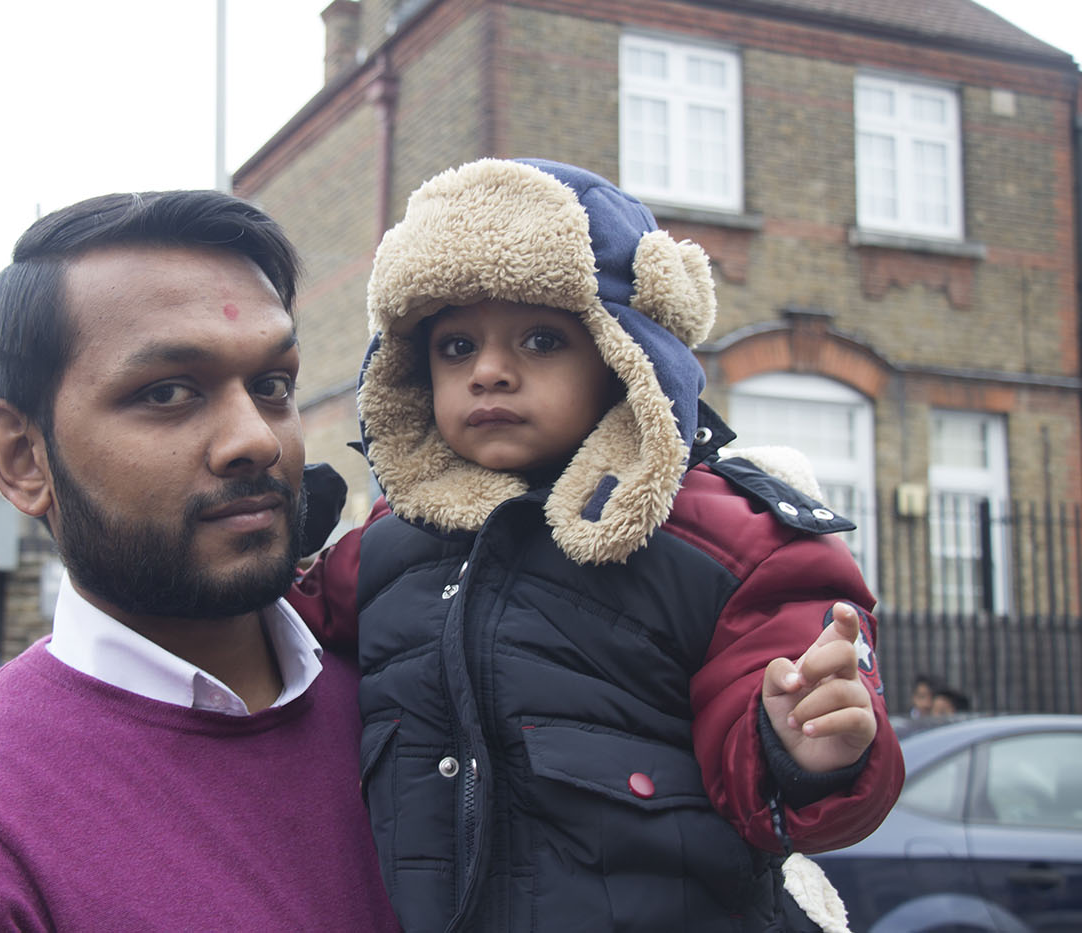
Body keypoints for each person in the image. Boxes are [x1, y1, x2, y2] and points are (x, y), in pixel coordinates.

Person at [290, 159, 905, 930]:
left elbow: (786, 770)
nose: (488, 371)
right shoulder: (387, 544)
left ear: (624, 358)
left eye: (542, 338)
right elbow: (273, 645)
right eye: (454, 347)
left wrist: (804, 744)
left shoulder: (729, 538)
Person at [0, 189, 398, 931]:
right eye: (167, 392)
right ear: (22, 456)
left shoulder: (415, 700)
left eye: (272, 385)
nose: (256, 438)